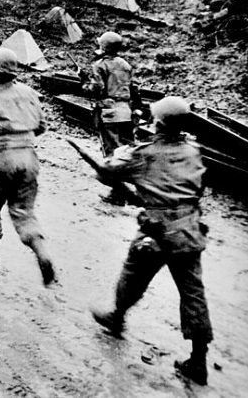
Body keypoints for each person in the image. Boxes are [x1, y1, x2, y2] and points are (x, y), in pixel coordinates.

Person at [90, 96, 212, 386]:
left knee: (133, 274)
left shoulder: (144, 153)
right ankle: (198, 360)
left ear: (159, 123)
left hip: (156, 231)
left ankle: (116, 317)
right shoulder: (194, 150)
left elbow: (106, 171)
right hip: (189, 230)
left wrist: (122, 154)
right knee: (193, 292)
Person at [0, 47, 56, 286]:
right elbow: (41, 127)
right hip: (29, 159)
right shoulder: (30, 92)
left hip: (1, 159)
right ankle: (42, 252)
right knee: (24, 212)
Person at [80, 30, 139, 204]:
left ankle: (119, 194)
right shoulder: (125, 64)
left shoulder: (99, 65)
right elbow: (134, 89)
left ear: (103, 46)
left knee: (112, 154)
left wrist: (84, 82)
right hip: (126, 112)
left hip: (109, 113)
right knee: (127, 152)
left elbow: (96, 89)